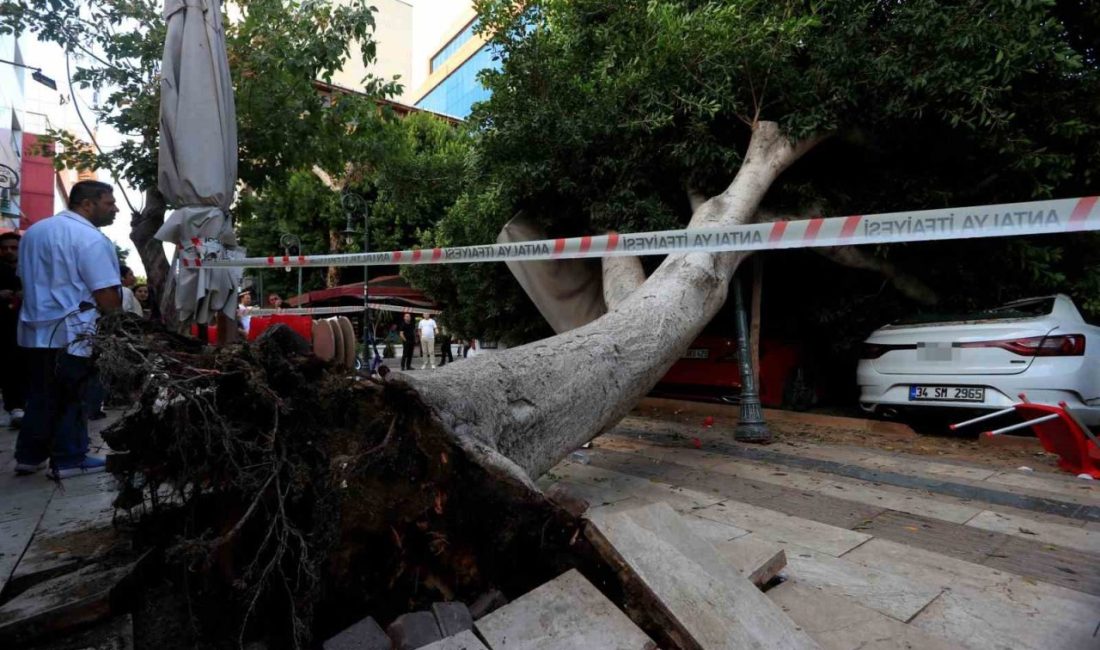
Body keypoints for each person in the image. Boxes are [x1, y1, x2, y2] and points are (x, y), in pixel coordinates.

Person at [15, 180, 121, 478]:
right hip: (74, 332)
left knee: (41, 394)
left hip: (34, 330)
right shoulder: (90, 238)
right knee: (72, 395)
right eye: (109, 203)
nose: (115, 209)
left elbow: (25, 278)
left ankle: (29, 456)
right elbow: (105, 291)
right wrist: (119, 326)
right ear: (87, 204)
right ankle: (69, 458)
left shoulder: (34, 232)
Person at [0, 232, 26, 428]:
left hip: (27, 325)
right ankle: (14, 406)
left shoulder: (30, 269)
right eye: (4, 248)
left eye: (13, 248)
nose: (9, 251)